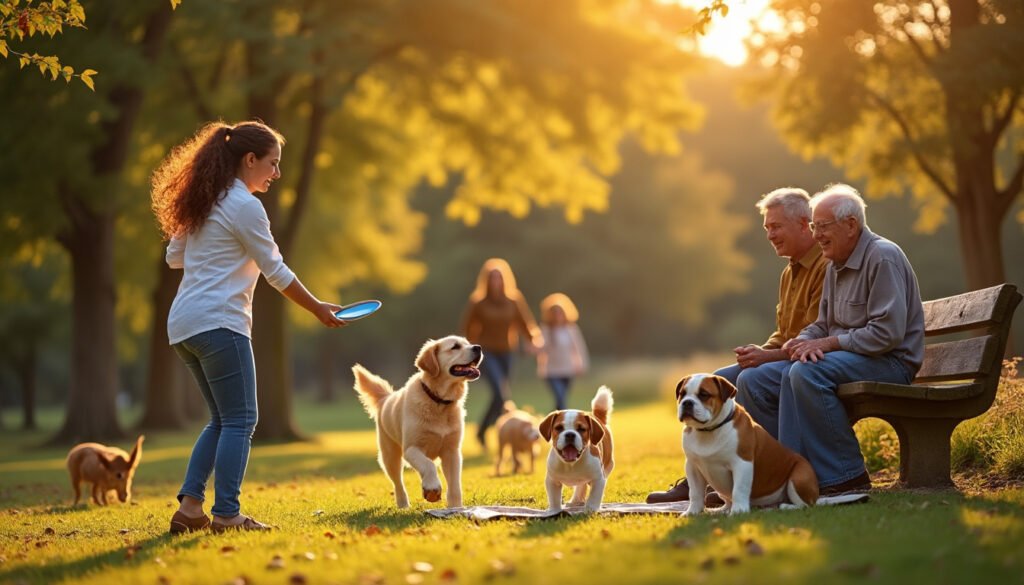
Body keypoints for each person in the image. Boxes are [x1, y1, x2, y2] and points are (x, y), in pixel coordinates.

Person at [152, 121, 346, 534]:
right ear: (250, 159)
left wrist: (214, 253)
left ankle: (189, 511)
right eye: (272, 164)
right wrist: (316, 308)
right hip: (220, 322)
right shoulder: (243, 205)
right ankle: (226, 514)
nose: (276, 174)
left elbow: (174, 256)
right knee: (241, 419)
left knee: (221, 420)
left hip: (184, 325)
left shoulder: (204, 200)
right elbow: (275, 271)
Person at [648, 187, 828, 504]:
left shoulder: (824, 267)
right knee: (722, 376)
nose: (770, 235)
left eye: (776, 226)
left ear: (803, 224)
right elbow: (784, 331)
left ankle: (774, 471)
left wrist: (766, 357)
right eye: (767, 228)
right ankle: (709, 479)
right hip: (786, 355)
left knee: (751, 379)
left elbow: (810, 336)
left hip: (810, 359)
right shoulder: (790, 271)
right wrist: (757, 351)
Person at [780, 183, 924, 495]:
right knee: (770, 376)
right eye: (814, 226)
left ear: (850, 225)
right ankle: (790, 475)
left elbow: (887, 334)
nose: (816, 234)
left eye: (822, 226)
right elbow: (823, 324)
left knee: (808, 372)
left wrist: (828, 344)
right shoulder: (835, 264)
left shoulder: (883, 257)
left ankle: (845, 475)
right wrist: (802, 340)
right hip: (859, 359)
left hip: (891, 362)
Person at [460, 258, 543, 450]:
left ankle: (483, 431)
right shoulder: (478, 302)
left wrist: (533, 341)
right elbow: (467, 328)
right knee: (501, 393)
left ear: (505, 279)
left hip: (507, 352)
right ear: (486, 281)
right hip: (485, 352)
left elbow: (525, 323)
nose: (495, 282)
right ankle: (492, 431)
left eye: (499, 278)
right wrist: (467, 354)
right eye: (492, 278)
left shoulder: (514, 299)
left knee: (499, 397)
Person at [537, 293, 590, 411]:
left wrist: (581, 364)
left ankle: (553, 424)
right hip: (551, 371)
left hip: (567, 370)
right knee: (560, 397)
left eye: (560, 312)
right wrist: (535, 346)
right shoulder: (546, 329)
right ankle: (562, 422)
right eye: (554, 313)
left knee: (560, 400)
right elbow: (541, 347)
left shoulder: (571, 329)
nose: (557, 316)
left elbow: (579, 348)